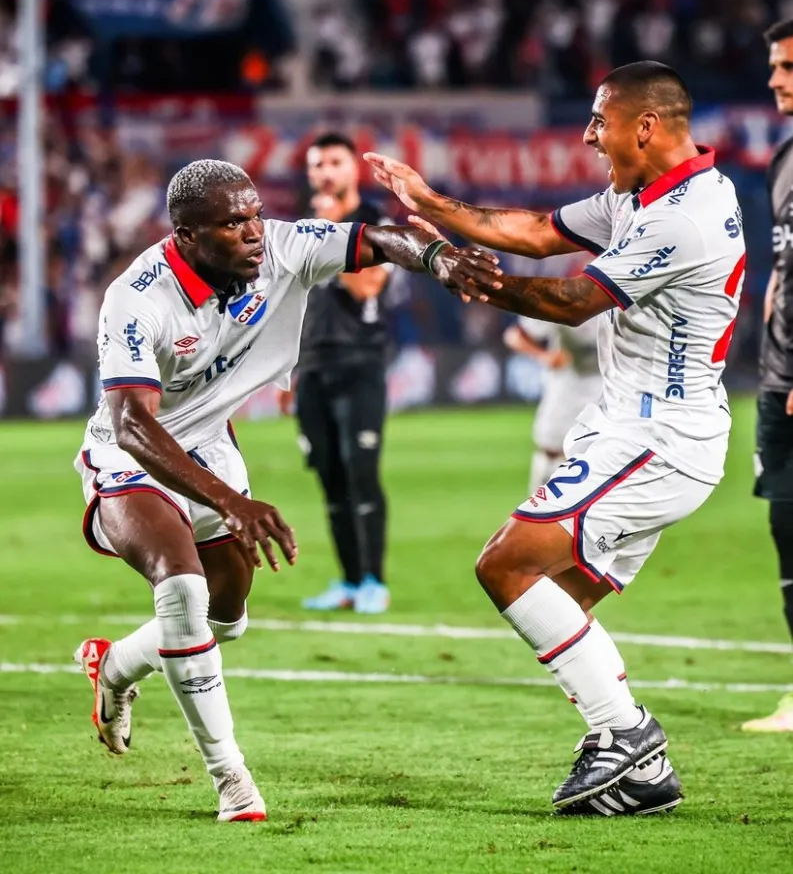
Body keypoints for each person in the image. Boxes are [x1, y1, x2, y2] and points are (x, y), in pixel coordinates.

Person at [365, 60, 745, 816]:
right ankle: (640, 775)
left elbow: (572, 299)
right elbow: (536, 233)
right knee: (554, 598)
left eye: (599, 121)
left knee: (505, 566)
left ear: (644, 125)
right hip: (641, 430)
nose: (587, 134)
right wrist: (432, 204)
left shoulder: (683, 217)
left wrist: (468, 278)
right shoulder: (645, 195)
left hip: (655, 436)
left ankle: (626, 735)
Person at [72, 159, 499, 822]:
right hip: (133, 458)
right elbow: (131, 425)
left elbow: (378, 238)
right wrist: (230, 501)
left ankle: (117, 665)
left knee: (223, 620)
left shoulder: (284, 248)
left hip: (209, 448)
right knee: (180, 588)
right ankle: (231, 779)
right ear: (185, 235)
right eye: (231, 222)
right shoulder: (136, 297)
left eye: (253, 215)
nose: (252, 233)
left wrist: (439, 257)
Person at [277, 133, 392, 613]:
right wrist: (286, 369)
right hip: (313, 368)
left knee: (360, 471)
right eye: (316, 163)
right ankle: (348, 581)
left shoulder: (374, 223)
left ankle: (374, 582)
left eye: (334, 162)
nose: (324, 171)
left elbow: (367, 287)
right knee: (329, 477)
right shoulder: (301, 229)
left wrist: (331, 236)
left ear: (353, 169)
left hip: (359, 363)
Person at [742, 18, 793, 733]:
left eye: (786, 66)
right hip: (777, 376)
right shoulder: (784, 158)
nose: (774, 78)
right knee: (785, 525)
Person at [503, 258, 601, 491]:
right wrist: (544, 357)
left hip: (604, 394)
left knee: (597, 461)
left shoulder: (621, 307)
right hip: (565, 391)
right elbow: (515, 335)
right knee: (551, 451)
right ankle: (534, 511)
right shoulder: (562, 300)